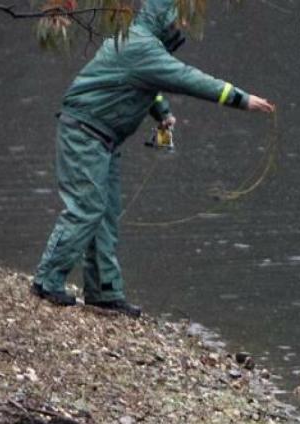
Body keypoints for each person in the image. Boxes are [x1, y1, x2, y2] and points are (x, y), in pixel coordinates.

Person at [30, 0, 276, 317]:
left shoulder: (133, 39)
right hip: (84, 134)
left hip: (102, 137)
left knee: (104, 214)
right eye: (176, 22)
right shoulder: (141, 47)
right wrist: (243, 100)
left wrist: (160, 112)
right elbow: (189, 79)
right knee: (87, 208)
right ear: (162, 19)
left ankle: (105, 292)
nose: (180, 29)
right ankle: (46, 281)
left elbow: (143, 81)